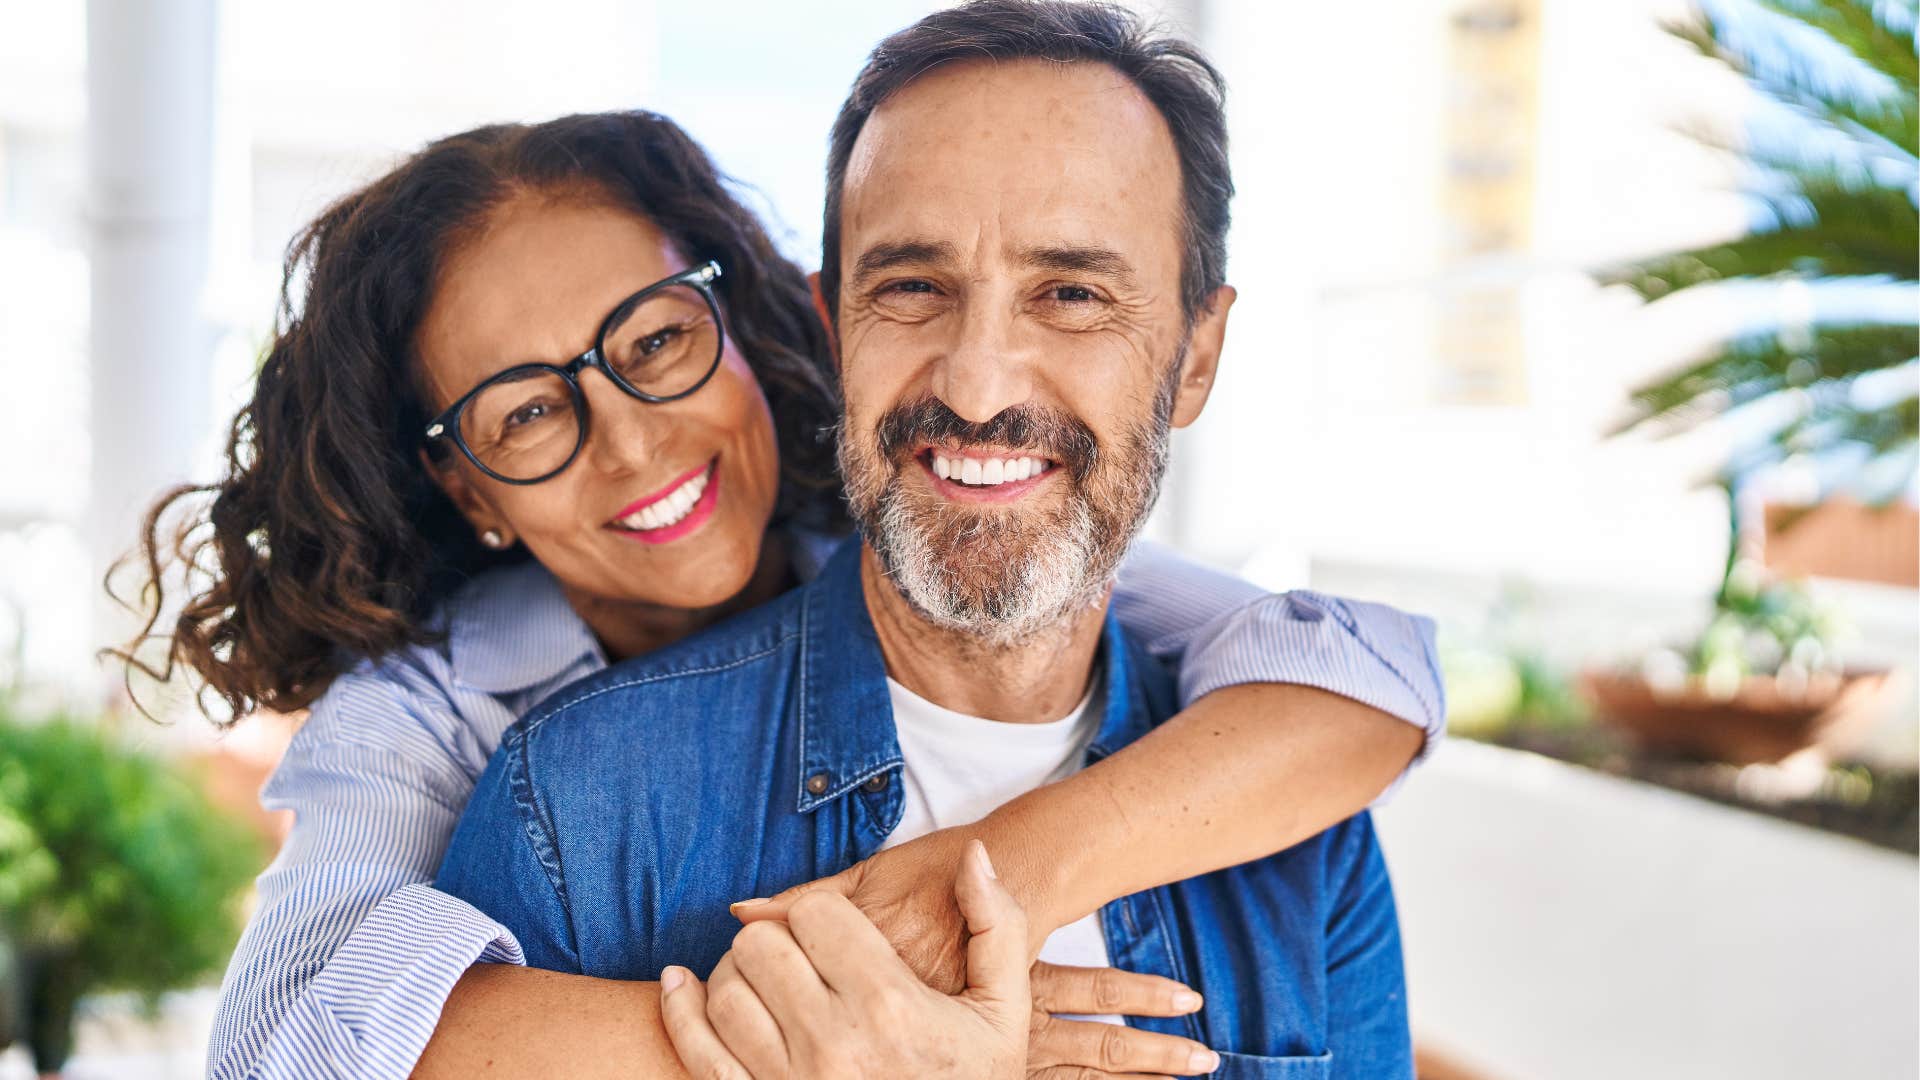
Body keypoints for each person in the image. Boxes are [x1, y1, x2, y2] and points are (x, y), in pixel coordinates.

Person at [121, 21, 1438, 1080]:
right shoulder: (507, 763)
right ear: (464, 483)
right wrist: (830, 1038)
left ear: (752, 329)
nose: (631, 444)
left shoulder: (1276, 810)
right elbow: (287, 1047)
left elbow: (1360, 677)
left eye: (652, 346)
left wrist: (1000, 876)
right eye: (527, 412)